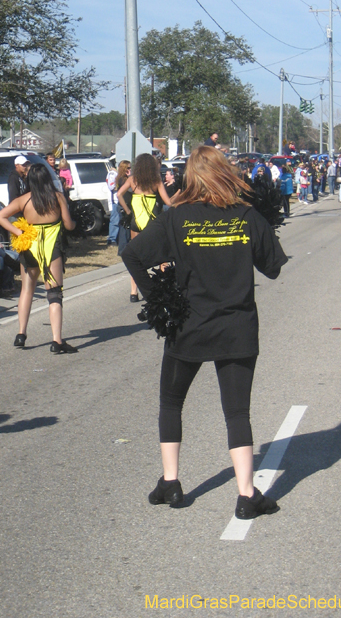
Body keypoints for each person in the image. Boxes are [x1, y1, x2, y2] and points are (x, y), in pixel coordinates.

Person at [122, 146, 288, 519]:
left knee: (171, 401)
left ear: (189, 178)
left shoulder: (176, 217)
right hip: (237, 326)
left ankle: (171, 481)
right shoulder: (246, 216)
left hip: (189, 325)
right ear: (226, 172)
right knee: (237, 412)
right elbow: (274, 267)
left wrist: (158, 300)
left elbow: (132, 254)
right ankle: (246, 495)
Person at [0, 164, 76, 353]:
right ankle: (56, 340)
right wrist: (74, 224)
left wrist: (18, 231)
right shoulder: (57, 198)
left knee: (26, 290)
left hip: (29, 246)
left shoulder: (23, 200)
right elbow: (68, 225)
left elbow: (0, 216)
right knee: (54, 293)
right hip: (52, 248)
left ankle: (21, 333)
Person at [117, 154, 173, 302]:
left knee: (135, 257)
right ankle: (164, 284)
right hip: (153, 225)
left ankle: (134, 292)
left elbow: (119, 194)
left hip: (136, 223)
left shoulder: (132, 180)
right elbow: (168, 202)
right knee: (162, 257)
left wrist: (128, 211)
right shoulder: (156, 182)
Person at [106, 160, 120, 246]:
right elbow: (111, 186)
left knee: (118, 220)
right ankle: (112, 239)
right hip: (114, 200)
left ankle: (116, 237)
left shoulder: (116, 174)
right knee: (115, 220)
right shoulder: (112, 174)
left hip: (119, 200)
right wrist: (119, 186)